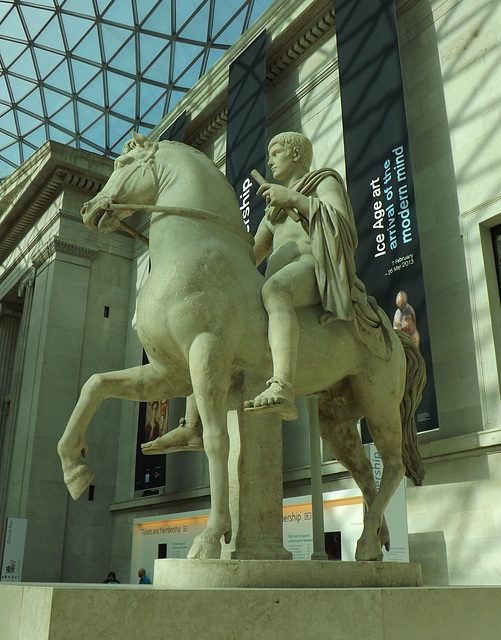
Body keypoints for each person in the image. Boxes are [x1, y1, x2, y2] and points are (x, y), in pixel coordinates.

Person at [244, 132, 385, 420]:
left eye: (275, 153)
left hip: (313, 269)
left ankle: (282, 384)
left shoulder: (323, 181)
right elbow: (253, 253)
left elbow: (341, 224)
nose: (269, 162)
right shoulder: (273, 208)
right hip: (280, 276)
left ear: (296, 154)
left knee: (274, 290)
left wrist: (294, 198)